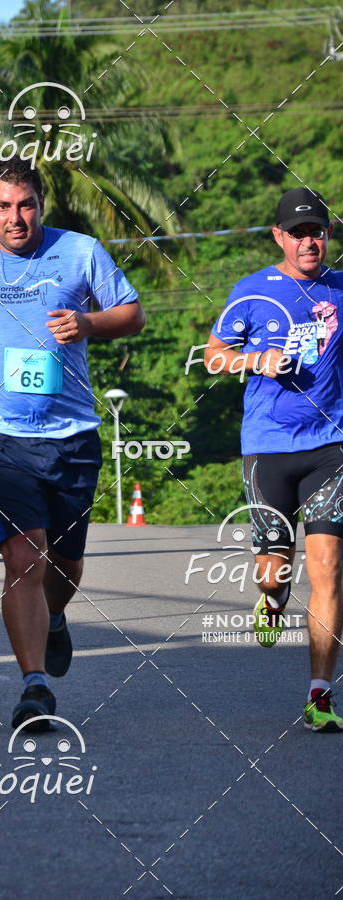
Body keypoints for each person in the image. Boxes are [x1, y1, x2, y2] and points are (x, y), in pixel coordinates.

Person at [0, 157, 144, 730]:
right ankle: (34, 686)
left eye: (25, 206)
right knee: (24, 558)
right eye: (2, 207)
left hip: (72, 435)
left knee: (65, 566)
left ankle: (56, 620)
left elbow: (133, 313)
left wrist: (91, 324)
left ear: (40, 205)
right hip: (0, 436)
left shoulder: (80, 251)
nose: (14, 218)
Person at [205, 186, 343, 732]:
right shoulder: (252, 292)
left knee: (329, 570)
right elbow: (214, 355)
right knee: (274, 569)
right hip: (267, 445)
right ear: (279, 237)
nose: (310, 241)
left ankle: (319, 696)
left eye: (319, 232)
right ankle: (271, 599)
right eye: (299, 232)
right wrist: (252, 359)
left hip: (331, 446)